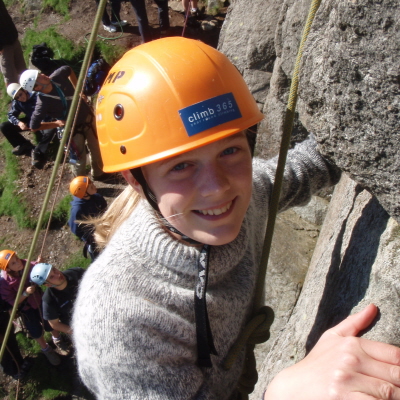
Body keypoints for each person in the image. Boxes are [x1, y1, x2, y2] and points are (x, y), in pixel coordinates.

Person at [72, 38, 400, 399]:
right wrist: (283, 394)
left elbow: (307, 166)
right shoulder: (119, 322)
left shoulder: (250, 189)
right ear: (136, 181)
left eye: (230, 149)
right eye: (181, 166)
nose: (218, 188)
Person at [19, 67, 106, 179]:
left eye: (40, 73)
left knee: (97, 148)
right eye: (39, 77)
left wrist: (79, 90)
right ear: (37, 87)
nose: (43, 75)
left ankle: (99, 173)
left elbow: (68, 70)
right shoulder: (42, 103)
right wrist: (56, 123)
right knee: (79, 160)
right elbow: (34, 126)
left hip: (87, 118)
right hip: (73, 130)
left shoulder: (57, 77)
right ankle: (81, 187)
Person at [0, 250, 64, 366]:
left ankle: (57, 338)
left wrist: (40, 265)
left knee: (49, 321)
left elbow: (38, 271)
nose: (19, 263)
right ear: (8, 269)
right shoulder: (5, 283)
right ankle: (46, 349)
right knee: (35, 331)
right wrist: (25, 294)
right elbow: (13, 302)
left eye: (17, 259)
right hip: (26, 310)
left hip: (39, 301)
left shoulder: (27, 265)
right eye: (13, 263)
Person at [1, 83, 59, 167]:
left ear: (24, 90)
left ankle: (37, 152)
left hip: (47, 120)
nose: (21, 98)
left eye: (20, 94)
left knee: (49, 132)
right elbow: (11, 115)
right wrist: (19, 123)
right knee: (4, 126)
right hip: (32, 121)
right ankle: (22, 144)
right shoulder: (17, 102)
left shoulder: (37, 95)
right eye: (17, 97)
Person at [30, 263, 85, 338]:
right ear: (47, 284)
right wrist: (77, 332)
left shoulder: (76, 273)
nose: (58, 274)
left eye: (54, 270)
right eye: (52, 277)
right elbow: (54, 324)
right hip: (78, 327)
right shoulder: (49, 300)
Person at [68, 176, 107, 260]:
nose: (94, 185)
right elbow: (76, 229)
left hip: (104, 228)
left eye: (92, 183)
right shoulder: (77, 210)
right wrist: (89, 236)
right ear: (84, 193)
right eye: (91, 186)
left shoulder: (97, 197)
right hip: (92, 238)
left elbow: (104, 208)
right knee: (98, 259)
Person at [0, 295, 32, 380]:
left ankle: (20, 362)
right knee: (3, 352)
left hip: (2, 316)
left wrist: (8, 308)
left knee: (11, 341)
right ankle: (14, 371)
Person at [0, 0, 26, 86]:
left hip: (13, 38)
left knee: (23, 70)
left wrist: (14, 33)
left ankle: (29, 94)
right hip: (4, 46)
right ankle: (16, 96)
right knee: (10, 76)